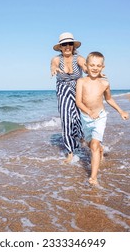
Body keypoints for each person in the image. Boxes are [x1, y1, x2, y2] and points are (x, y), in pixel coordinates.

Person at [76, 51, 129, 186]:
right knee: (90, 144)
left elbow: (109, 99)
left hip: (100, 117)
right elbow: (78, 102)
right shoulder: (81, 81)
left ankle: (93, 177)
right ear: (86, 66)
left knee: (94, 145)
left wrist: (120, 111)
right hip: (85, 117)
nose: (95, 68)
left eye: (98, 65)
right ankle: (100, 149)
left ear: (102, 67)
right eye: (92, 65)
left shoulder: (104, 83)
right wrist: (88, 111)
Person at [51, 32, 87, 163]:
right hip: (63, 91)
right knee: (66, 120)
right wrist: (54, 70)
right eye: (64, 44)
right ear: (60, 47)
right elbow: (53, 66)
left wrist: (90, 70)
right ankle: (70, 152)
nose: (67, 46)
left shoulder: (79, 58)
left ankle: (82, 139)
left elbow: (85, 66)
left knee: (78, 118)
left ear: (73, 46)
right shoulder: (56, 59)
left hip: (78, 89)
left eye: (69, 44)